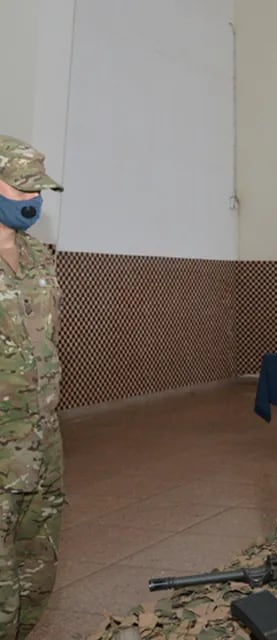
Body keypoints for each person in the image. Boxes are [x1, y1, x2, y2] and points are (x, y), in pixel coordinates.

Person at [0, 135, 65, 639]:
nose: (32, 202)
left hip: (41, 437)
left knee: (38, 557)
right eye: (20, 189)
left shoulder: (40, 256)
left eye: (36, 191)